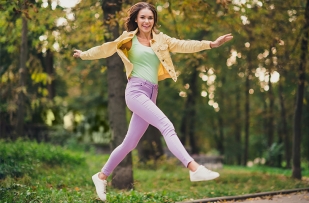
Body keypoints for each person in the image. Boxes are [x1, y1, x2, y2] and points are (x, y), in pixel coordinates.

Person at [73, 2, 233, 201]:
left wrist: (210, 44)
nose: (146, 21)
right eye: (142, 18)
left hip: (151, 93)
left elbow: (184, 45)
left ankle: (101, 175)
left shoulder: (161, 40)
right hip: (135, 91)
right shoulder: (128, 39)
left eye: (150, 18)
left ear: (154, 20)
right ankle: (193, 167)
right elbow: (106, 49)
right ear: (136, 20)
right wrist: (84, 55)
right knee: (167, 126)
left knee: (129, 143)